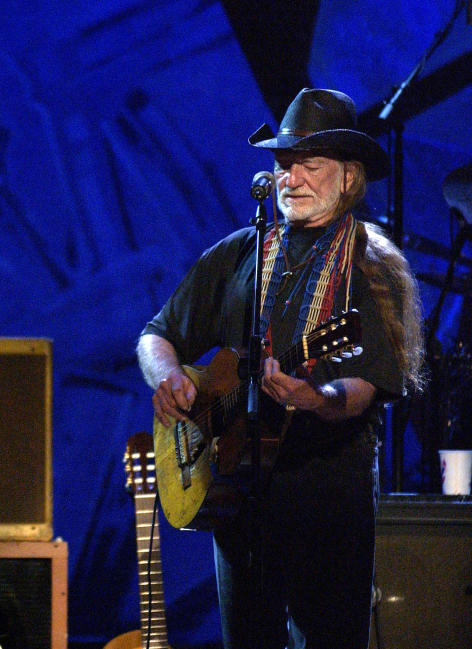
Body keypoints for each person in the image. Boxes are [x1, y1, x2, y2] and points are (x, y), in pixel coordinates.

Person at [136, 88, 425, 649]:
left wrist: (316, 398)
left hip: (326, 499)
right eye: (282, 164)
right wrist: (169, 377)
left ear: (348, 177)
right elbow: (157, 334)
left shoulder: (371, 265)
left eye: (307, 165)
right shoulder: (241, 252)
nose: (290, 179)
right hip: (238, 497)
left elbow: (366, 382)